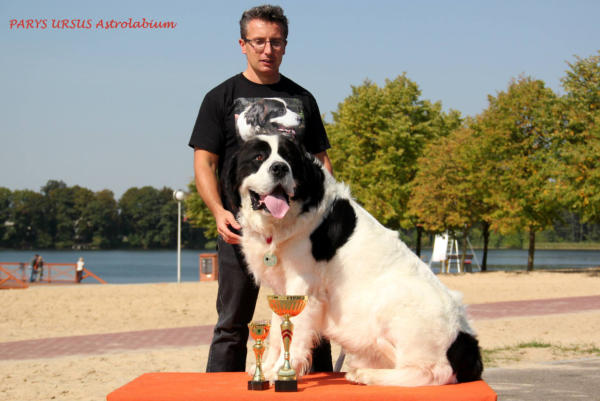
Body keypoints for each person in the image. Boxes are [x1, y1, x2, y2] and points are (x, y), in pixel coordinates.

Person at [189, 5, 333, 373]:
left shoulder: (304, 99)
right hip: (242, 230)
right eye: (258, 41)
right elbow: (204, 163)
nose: (267, 49)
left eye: (276, 42)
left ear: (285, 45)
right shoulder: (219, 98)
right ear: (243, 44)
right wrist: (218, 212)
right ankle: (219, 395)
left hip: (298, 231)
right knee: (231, 323)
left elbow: (321, 162)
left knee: (311, 316)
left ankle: (318, 390)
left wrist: (322, 215)